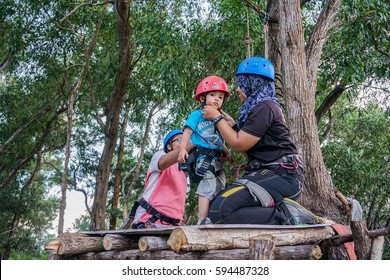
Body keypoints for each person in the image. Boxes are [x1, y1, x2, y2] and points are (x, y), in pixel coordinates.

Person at [202, 56, 310, 225]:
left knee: (221, 210)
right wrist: (232, 126)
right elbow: (248, 144)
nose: (238, 89)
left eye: (242, 83)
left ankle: (286, 215)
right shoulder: (258, 109)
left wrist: (217, 118)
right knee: (216, 207)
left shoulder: (265, 107)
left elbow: (239, 144)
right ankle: (276, 212)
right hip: (267, 173)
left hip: (282, 175)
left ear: (253, 82)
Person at [178, 75, 235, 225]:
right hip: (204, 158)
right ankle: (202, 219)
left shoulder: (218, 119)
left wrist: (227, 152)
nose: (217, 99)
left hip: (217, 159)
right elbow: (188, 131)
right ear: (203, 97)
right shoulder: (197, 115)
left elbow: (218, 139)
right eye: (212, 95)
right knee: (207, 185)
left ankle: (214, 217)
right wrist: (183, 148)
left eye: (220, 97)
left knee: (220, 186)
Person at [123, 129, 193, 229]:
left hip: (173, 225)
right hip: (149, 219)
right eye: (180, 140)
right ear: (169, 146)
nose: (184, 144)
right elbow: (163, 163)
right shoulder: (159, 155)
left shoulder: (183, 170)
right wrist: (190, 146)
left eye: (187, 141)